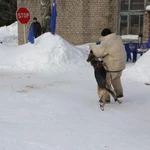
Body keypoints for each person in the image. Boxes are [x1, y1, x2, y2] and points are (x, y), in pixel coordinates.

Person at [89, 28, 126, 103]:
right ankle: (119, 93)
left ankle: (105, 98)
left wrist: (92, 46)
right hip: (120, 65)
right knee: (116, 78)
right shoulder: (118, 39)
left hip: (112, 67)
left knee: (106, 82)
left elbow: (98, 53)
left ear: (103, 35)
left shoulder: (107, 42)